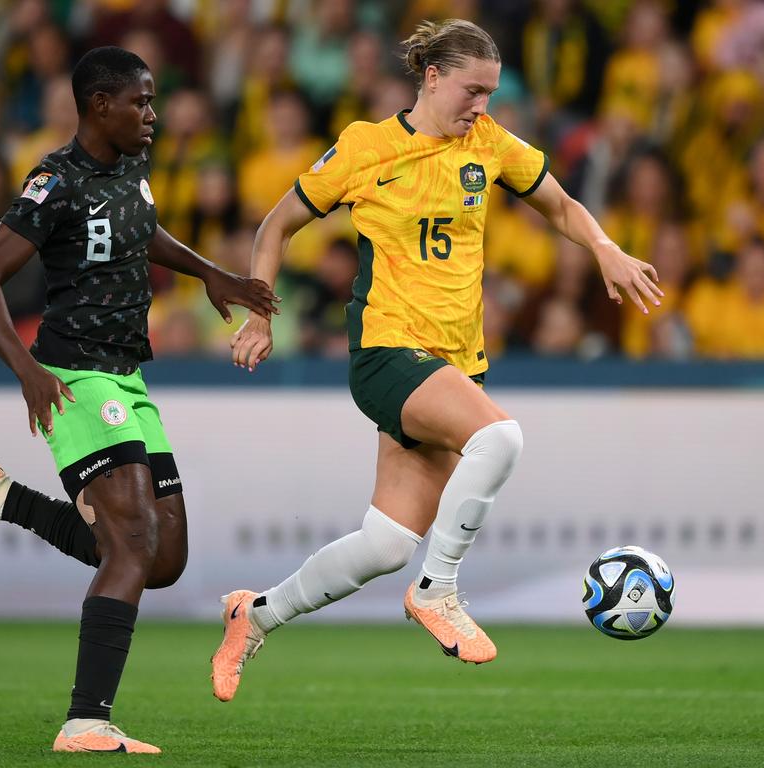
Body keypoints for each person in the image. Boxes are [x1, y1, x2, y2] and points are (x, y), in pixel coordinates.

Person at [210, 19, 661, 702]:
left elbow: (561, 205)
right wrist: (260, 311)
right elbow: (278, 224)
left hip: (454, 363)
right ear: (431, 77)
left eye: (490, 93)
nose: (481, 105)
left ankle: (255, 615)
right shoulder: (368, 148)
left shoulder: (489, 144)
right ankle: (439, 590)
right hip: (387, 350)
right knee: (500, 437)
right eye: (472, 90)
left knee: (385, 543)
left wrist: (604, 247)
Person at [0, 47, 277, 753]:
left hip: (127, 375)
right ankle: (86, 720)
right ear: (99, 106)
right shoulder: (53, 181)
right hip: (76, 376)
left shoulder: (129, 167)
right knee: (131, 545)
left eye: (151, 102)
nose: (152, 114)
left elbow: (141, 230)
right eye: (141, 102)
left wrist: (214, 274)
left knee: (164, 555)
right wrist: (29, 370)